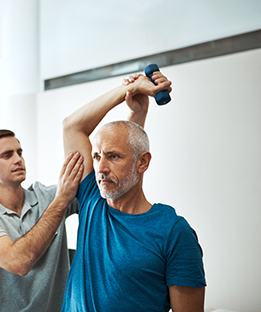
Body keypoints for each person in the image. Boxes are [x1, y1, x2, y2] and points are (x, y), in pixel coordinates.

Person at [61, 72, 206, 311]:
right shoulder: (92, 200)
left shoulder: (174, 232)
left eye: (113, 157)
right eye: (97, 156)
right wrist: (127, 91)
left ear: (143, 163)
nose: (101, 168)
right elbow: (72, 126)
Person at [0, 129, 83, 312]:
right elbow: (20, 262)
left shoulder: (49, 197)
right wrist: (62, 201)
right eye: (7, 155)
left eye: (19, 152)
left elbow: (102, 191)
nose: (18, 159)